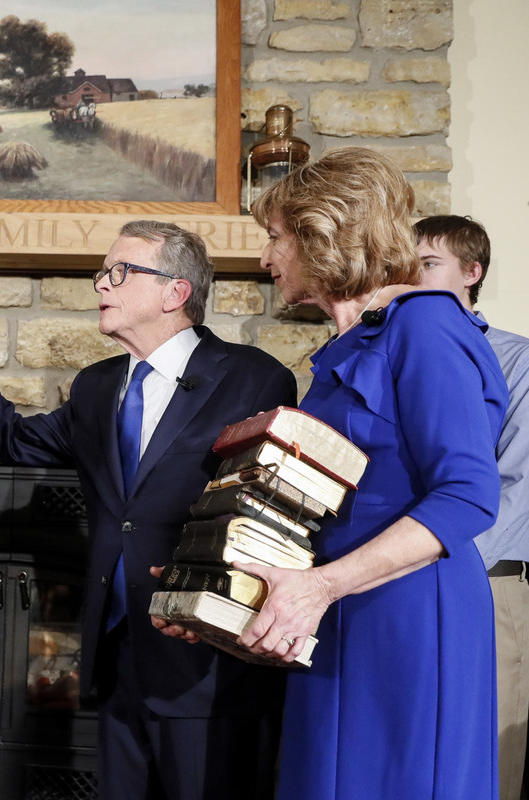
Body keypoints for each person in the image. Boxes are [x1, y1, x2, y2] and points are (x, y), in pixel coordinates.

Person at [0, 220, 297, 799]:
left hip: (202, 658)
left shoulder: (253, 378)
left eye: (119, 272)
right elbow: (14, 442)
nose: (101, 285)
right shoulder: (97, 386)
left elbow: (269, 517)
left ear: (174, 292)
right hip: (116, 650)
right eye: (104, 273)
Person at [222, 148, 505, 799]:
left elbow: (467, 496)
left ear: (324, 233)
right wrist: (227, 585)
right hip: (338, 608)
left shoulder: (427, 327)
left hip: (410, 614)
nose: (266, 259)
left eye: (275, 238)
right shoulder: (352, 342)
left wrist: (321, 587)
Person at [415, 214, 529, 800]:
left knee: (484, 760)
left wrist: (427, 561)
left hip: (483, 580)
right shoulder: (393, 351)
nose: (413, 276)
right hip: (398, 582)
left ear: (472, 272)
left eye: (429, 264)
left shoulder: (517, 362)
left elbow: (515, 487)